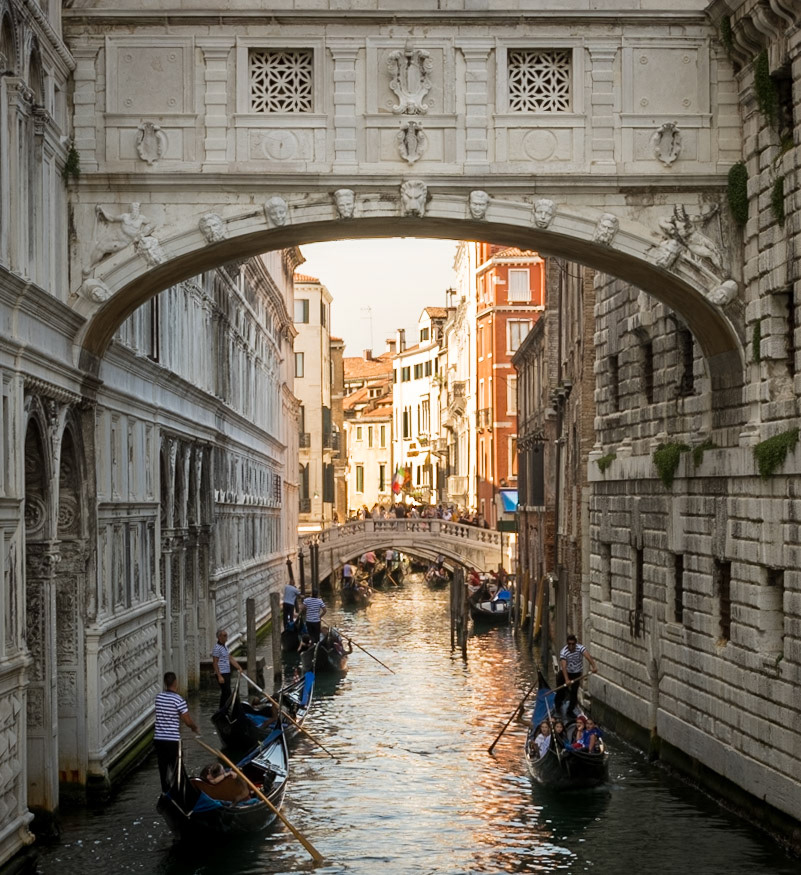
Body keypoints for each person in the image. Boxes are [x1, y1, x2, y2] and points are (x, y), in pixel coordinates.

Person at [154, 671, 199, 792]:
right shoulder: (179, 700)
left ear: (165, 683)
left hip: (158, 739)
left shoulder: (158, 698)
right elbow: (187, 721)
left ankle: (165, 791)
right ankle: (177, 791)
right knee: (177, 768)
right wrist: (194, 728)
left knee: (163, 768)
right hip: (172, 740)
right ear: (175, 682)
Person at [555, 633, 598, 716]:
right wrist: (567, 680)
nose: (571, 646)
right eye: (569, 644)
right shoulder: (564, 652)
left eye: (573, 644)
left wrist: (594, 666)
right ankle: (557, 707)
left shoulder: (580, 648)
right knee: (560, 691)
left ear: (575, 643)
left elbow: (588, 656)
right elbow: (564, 666)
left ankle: (570, 711)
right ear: (567, 644)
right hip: (565, 673)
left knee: (574, 692)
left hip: (576, 673)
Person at [212, 628, 243, 711]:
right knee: (227, 692)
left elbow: (230, 658)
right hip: (221, 673)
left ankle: (223, 709)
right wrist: (219, 676)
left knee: (226, 692)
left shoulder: (225, 647)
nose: (227, 637)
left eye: (226, 635)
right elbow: (215, 663)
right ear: (219, 637)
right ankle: (224, 709)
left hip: (226, 672)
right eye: (225, 635)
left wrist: (239, 667)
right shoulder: (217, 648)